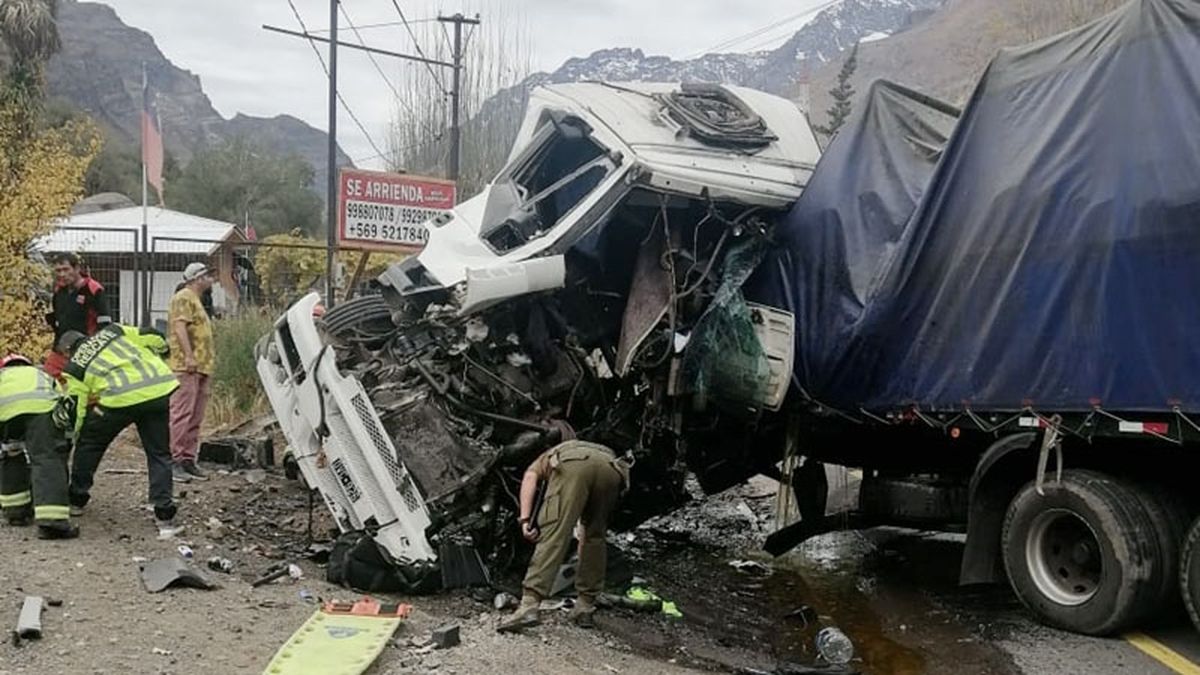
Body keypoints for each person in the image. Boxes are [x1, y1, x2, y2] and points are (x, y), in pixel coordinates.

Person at [55, 325, 183, 539]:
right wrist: (162, 353)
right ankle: (164, 515)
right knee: (159, 453)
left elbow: (78, 408)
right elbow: (154, 337)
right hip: (157, 390)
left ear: (67, 351)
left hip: (118, 400)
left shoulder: (75, 366)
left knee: (90, 444)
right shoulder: (115, 330)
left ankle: (77, 498)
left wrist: (72, 436)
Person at [497, 437, 630, 633]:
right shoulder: (591, 448)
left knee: (555, 533)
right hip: (611, 468)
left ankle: (529, 605)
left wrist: (524, 520)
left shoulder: (546, 458)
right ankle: (585, 607)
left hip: (574, 466)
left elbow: (529, 478)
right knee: (594, 536)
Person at [0, 355, 76, 539]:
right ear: (28, 364)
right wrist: (65, 440)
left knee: (11, 453)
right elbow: (65, 402)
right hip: (41, 408)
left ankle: (16, 512)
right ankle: (52, 522)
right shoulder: (42, 375)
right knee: (46, 458)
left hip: (4, 412)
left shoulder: (2, 376)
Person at [167, 262, 216, 482]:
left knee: (196, 414)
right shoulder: (184, 297)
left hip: (202, 366)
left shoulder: (197, 299)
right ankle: (174, 459)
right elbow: (179, 327)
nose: (211, 279)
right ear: (198, 278)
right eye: (207, 275)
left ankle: (188, 458)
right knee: (182, 412)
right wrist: (188, 355)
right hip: (187, 366)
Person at [44, 252, 113, 379]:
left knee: (80, 382)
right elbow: (55, 319)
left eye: (66, 269)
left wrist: (94, 349)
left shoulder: (93, 289)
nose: (62, 274)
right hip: (62, 349)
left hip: (86, 350)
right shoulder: (58, 291)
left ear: (77, 269)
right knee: (48, 376)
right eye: (58, 271)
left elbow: (105, 324)